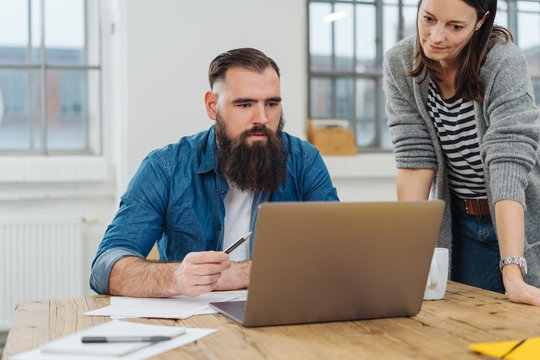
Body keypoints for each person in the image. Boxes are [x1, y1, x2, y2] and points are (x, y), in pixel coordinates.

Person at [90, 48, 339, 298]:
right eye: (244, 104)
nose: (262, 119)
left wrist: (241, 274)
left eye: (272, 104)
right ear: (212, 106)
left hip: (278, 313)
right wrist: (175, 278)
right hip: (195, 322)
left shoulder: (304, 161)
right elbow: (106, 267)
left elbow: (337, 253)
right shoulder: (164, 168)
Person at [383, 0, 540, 305]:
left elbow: (507, 164)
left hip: (521, 218)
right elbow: (415, 159)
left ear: (481, 22)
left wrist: (513, 271)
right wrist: (407, 255)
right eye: (428, 18)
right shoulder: (399, 63)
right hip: (461, 222)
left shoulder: (503, 62)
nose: (436, 36)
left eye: (455, 26)